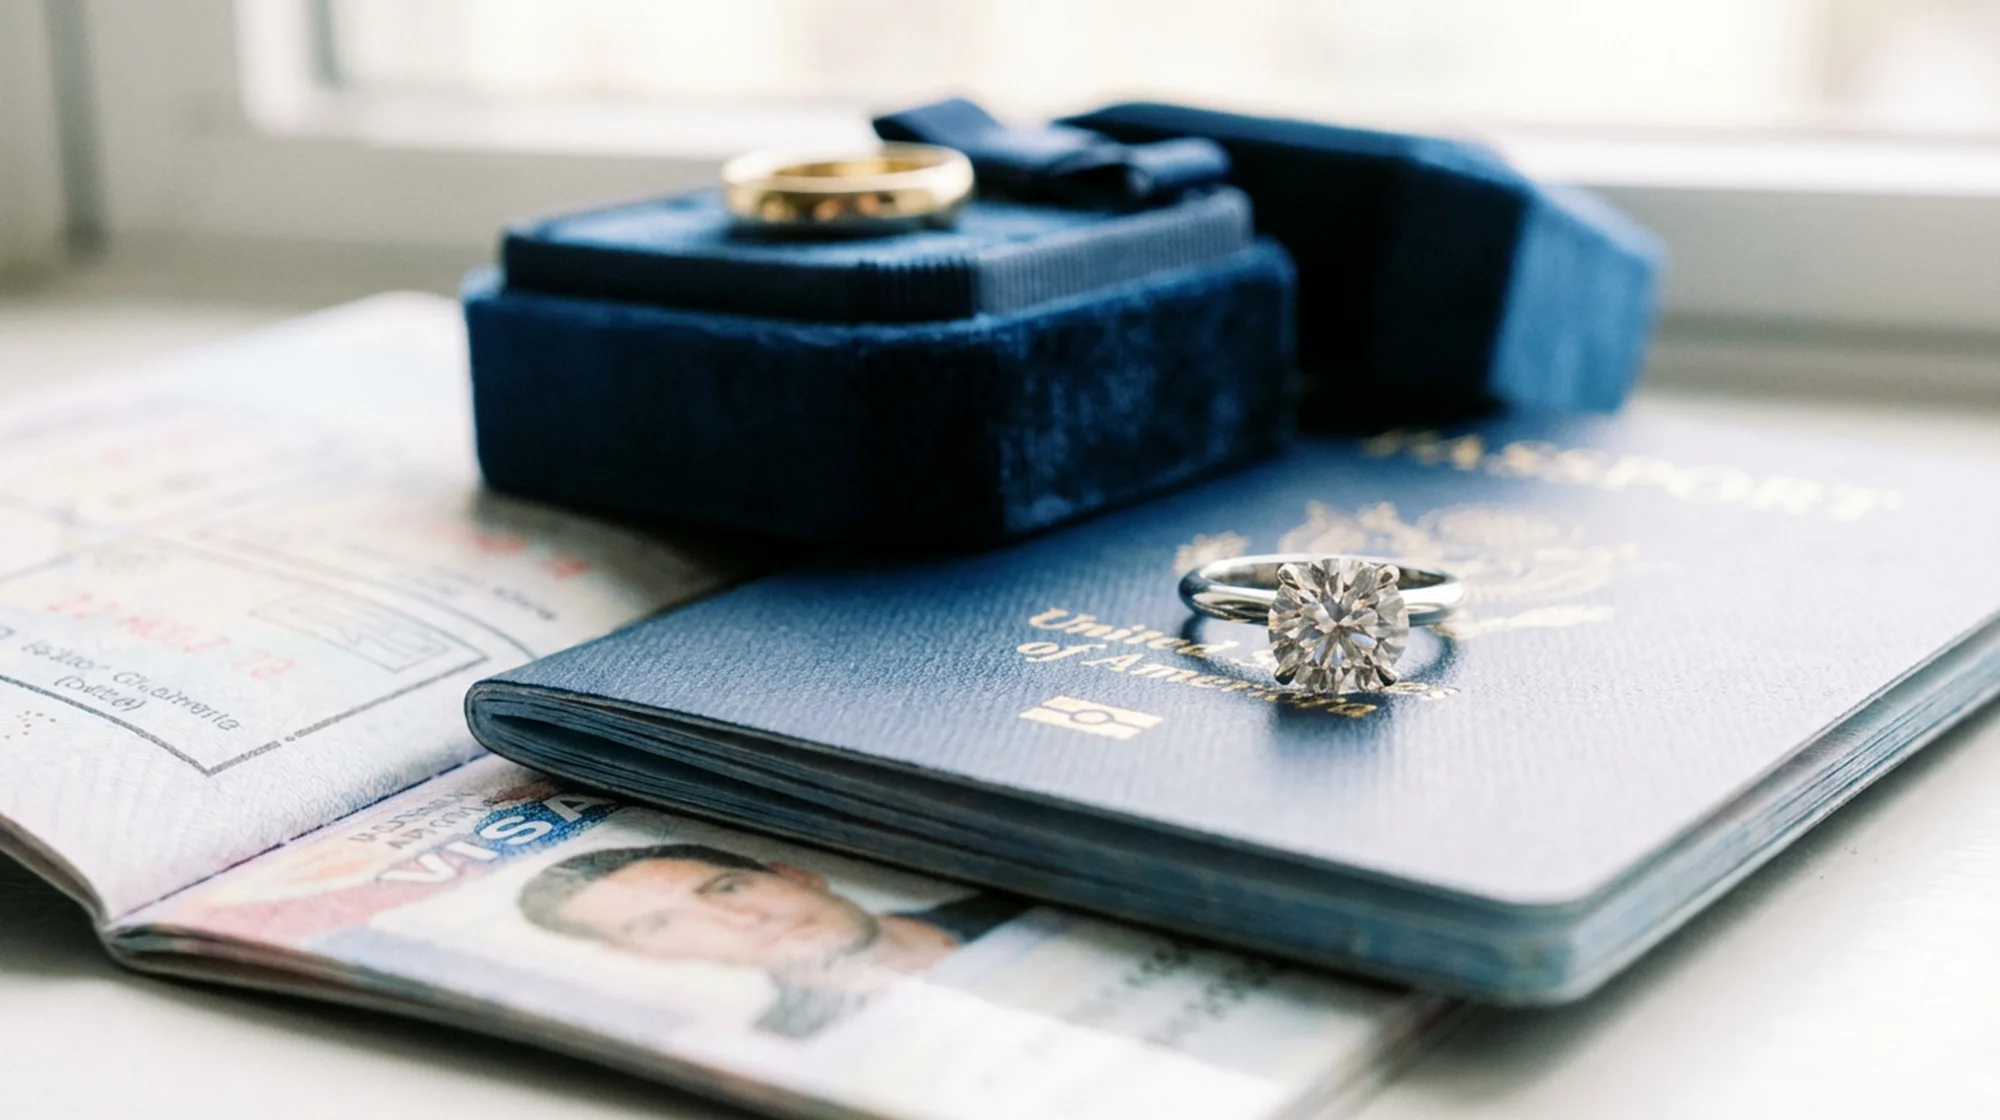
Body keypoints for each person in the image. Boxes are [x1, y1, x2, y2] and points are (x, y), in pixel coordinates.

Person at [518, 844, 1024, 1037]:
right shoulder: (784, 1047)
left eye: (728, 886)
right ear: (642, 954)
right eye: (660, 924)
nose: (740, 919)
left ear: (796, 875)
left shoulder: (1016, 904)